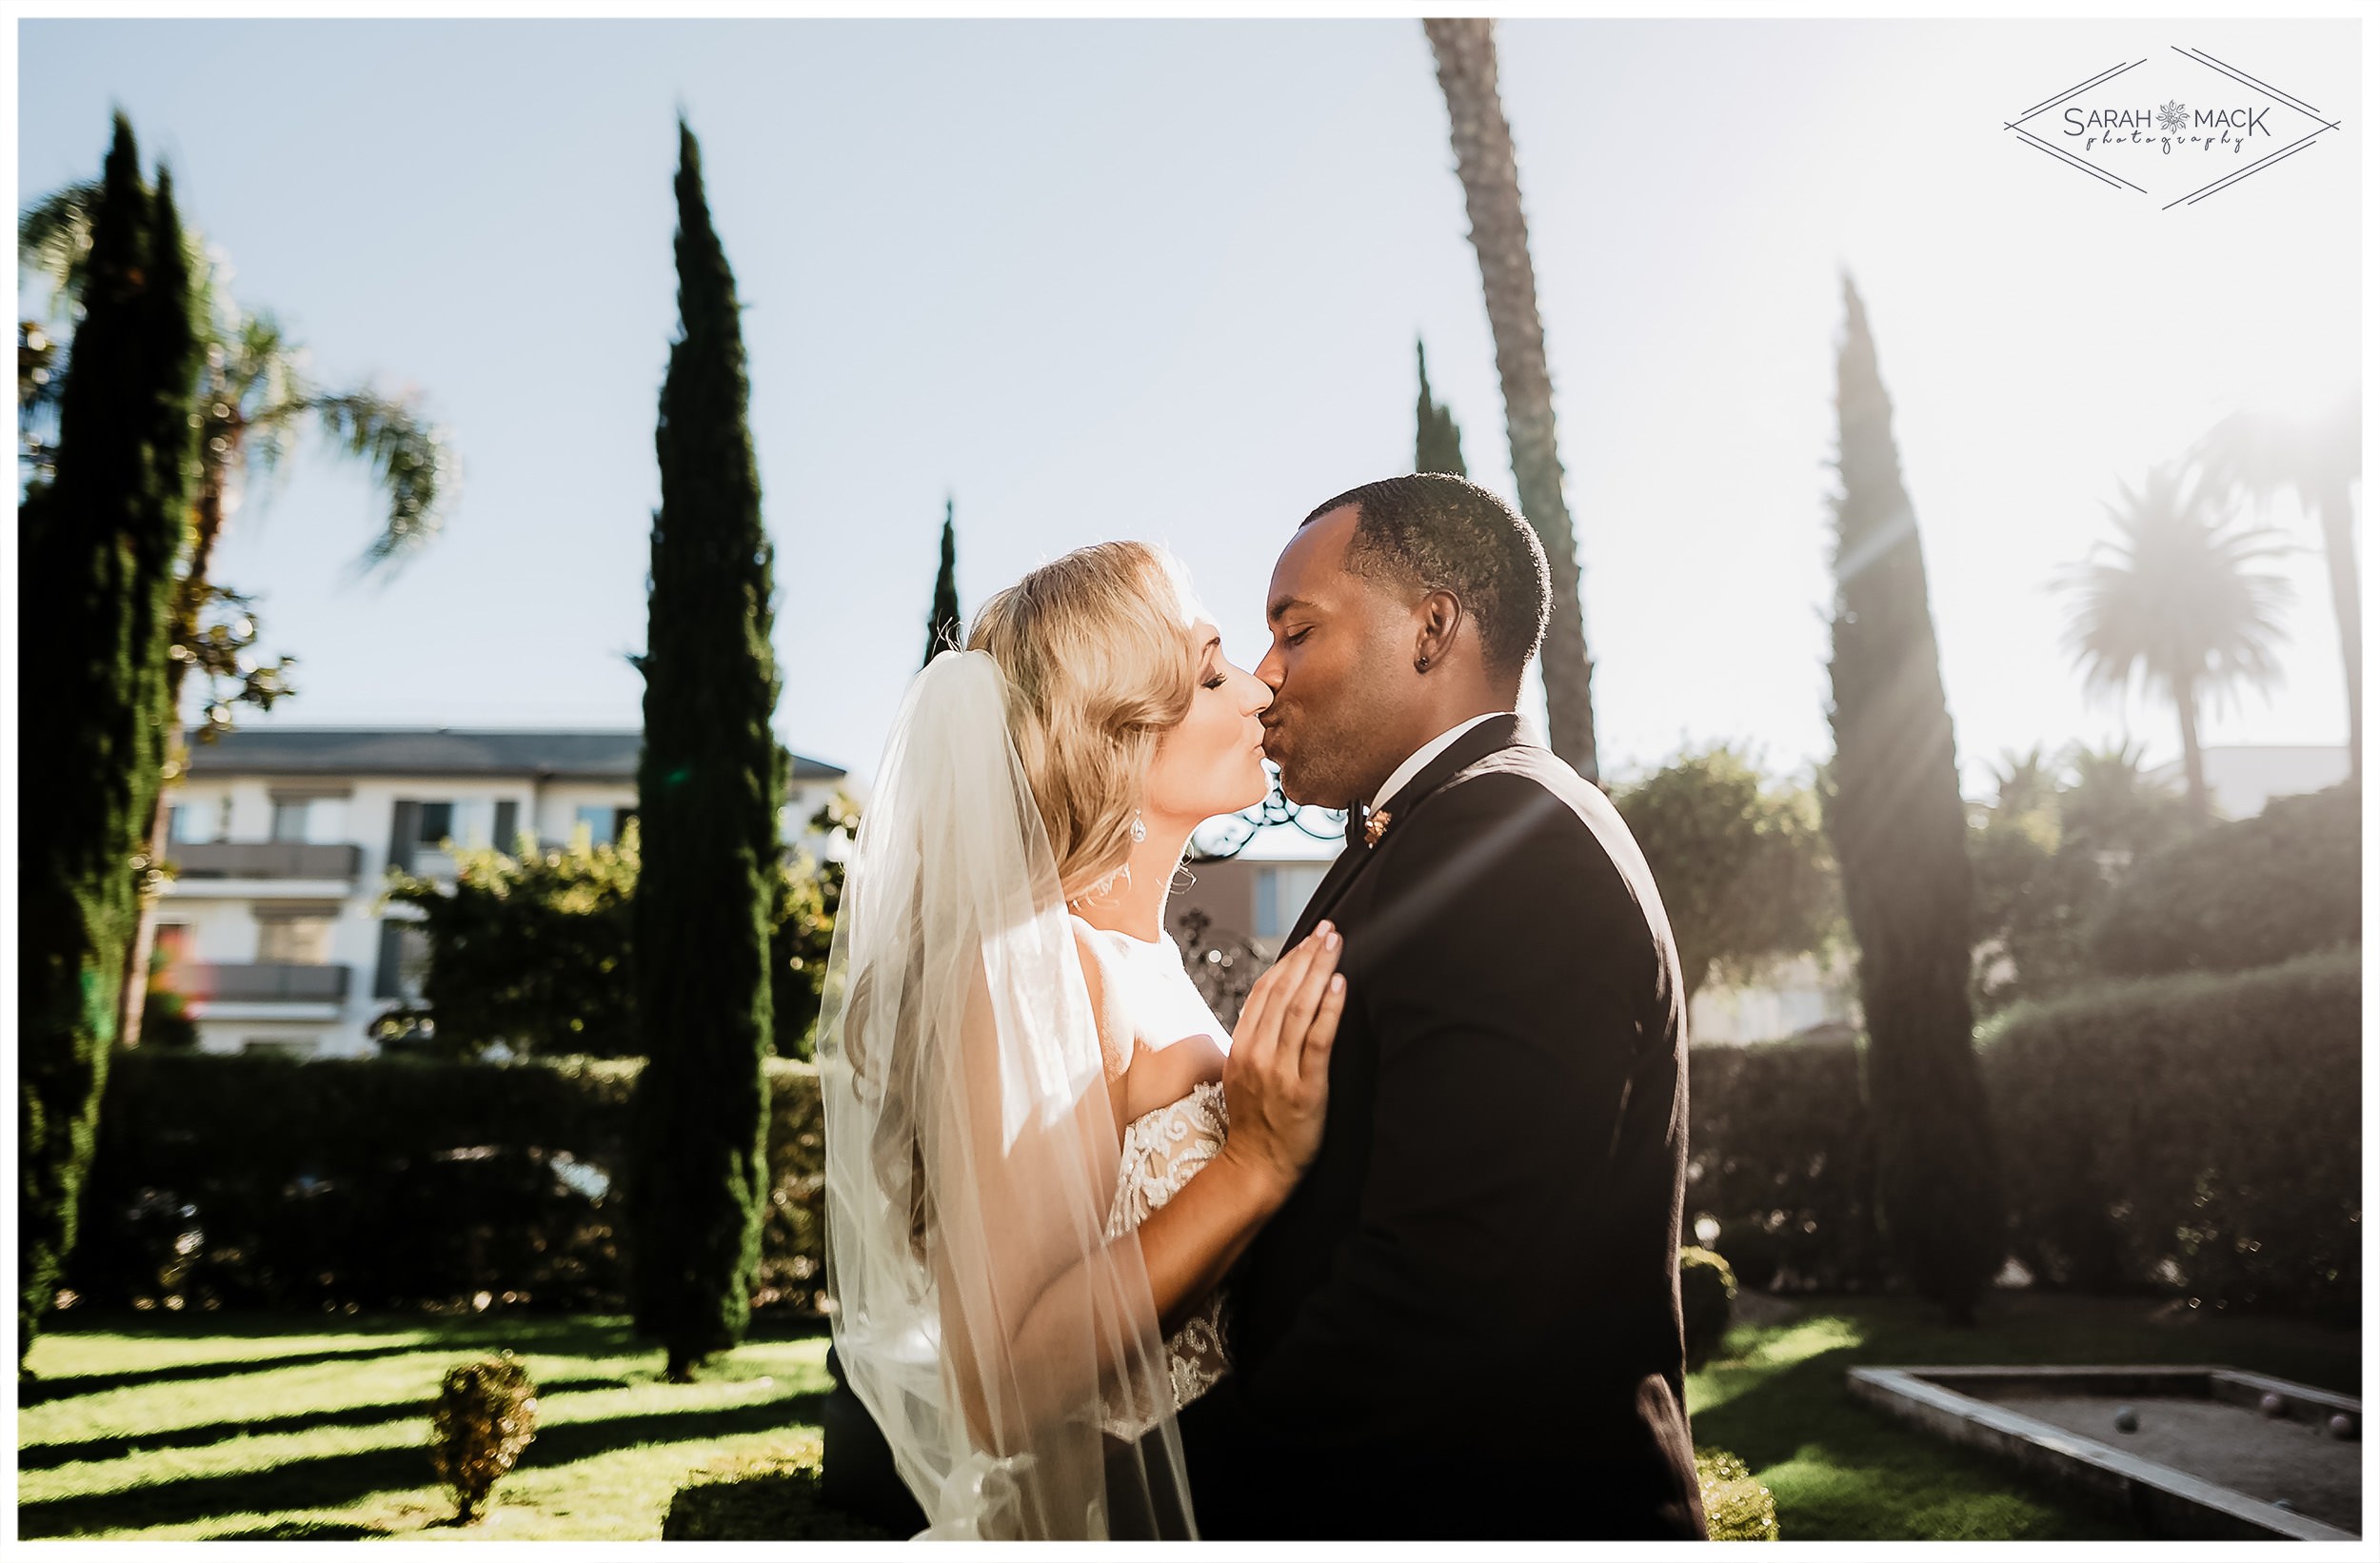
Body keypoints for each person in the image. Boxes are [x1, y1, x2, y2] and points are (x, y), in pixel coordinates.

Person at [1173, 472, 1711, 1539]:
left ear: (1430, 628)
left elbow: (1445, 1294)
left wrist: (1140, 1501)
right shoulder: (1436, 832)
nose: (1266, 678)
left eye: (1296, 631)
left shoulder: (1512, 845)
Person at [817, 541, 1345, 1540]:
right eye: (1209, 670)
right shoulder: (1031, 965)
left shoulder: (1145, 963)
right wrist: (1256, 1161)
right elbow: (1003, 1388)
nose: (1257, 688)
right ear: (1113, 733)